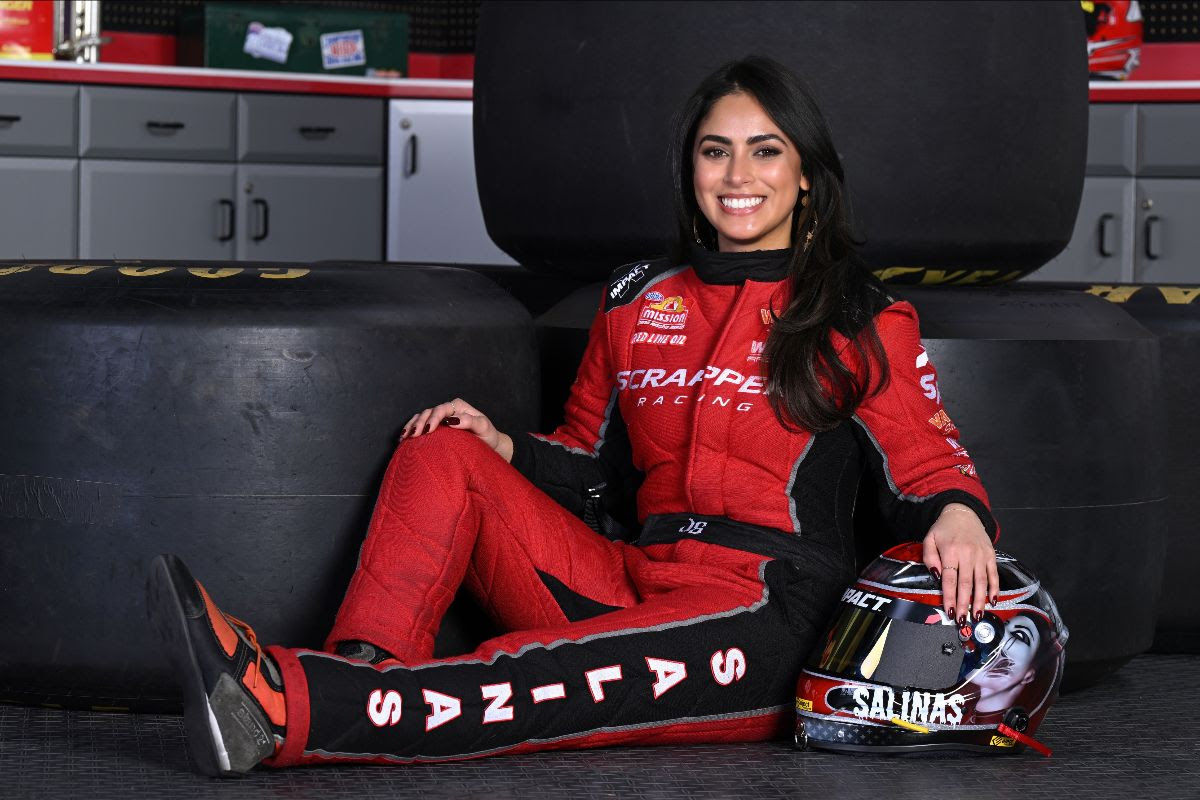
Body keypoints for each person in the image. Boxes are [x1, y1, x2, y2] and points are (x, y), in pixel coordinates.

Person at [148, 55, 999, 776]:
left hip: (764, 613)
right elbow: (588, 466)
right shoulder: (636, 300)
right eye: (715, 152)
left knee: (536, 681)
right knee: (442, 449)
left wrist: (960, 512)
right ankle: (362, 671)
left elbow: (926, 464)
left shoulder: (858, 315)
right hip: (630, 578)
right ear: (690, 171)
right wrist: (502, 446)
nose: (738, 176)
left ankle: (285, 705)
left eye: (764, 151)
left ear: (806, 173)